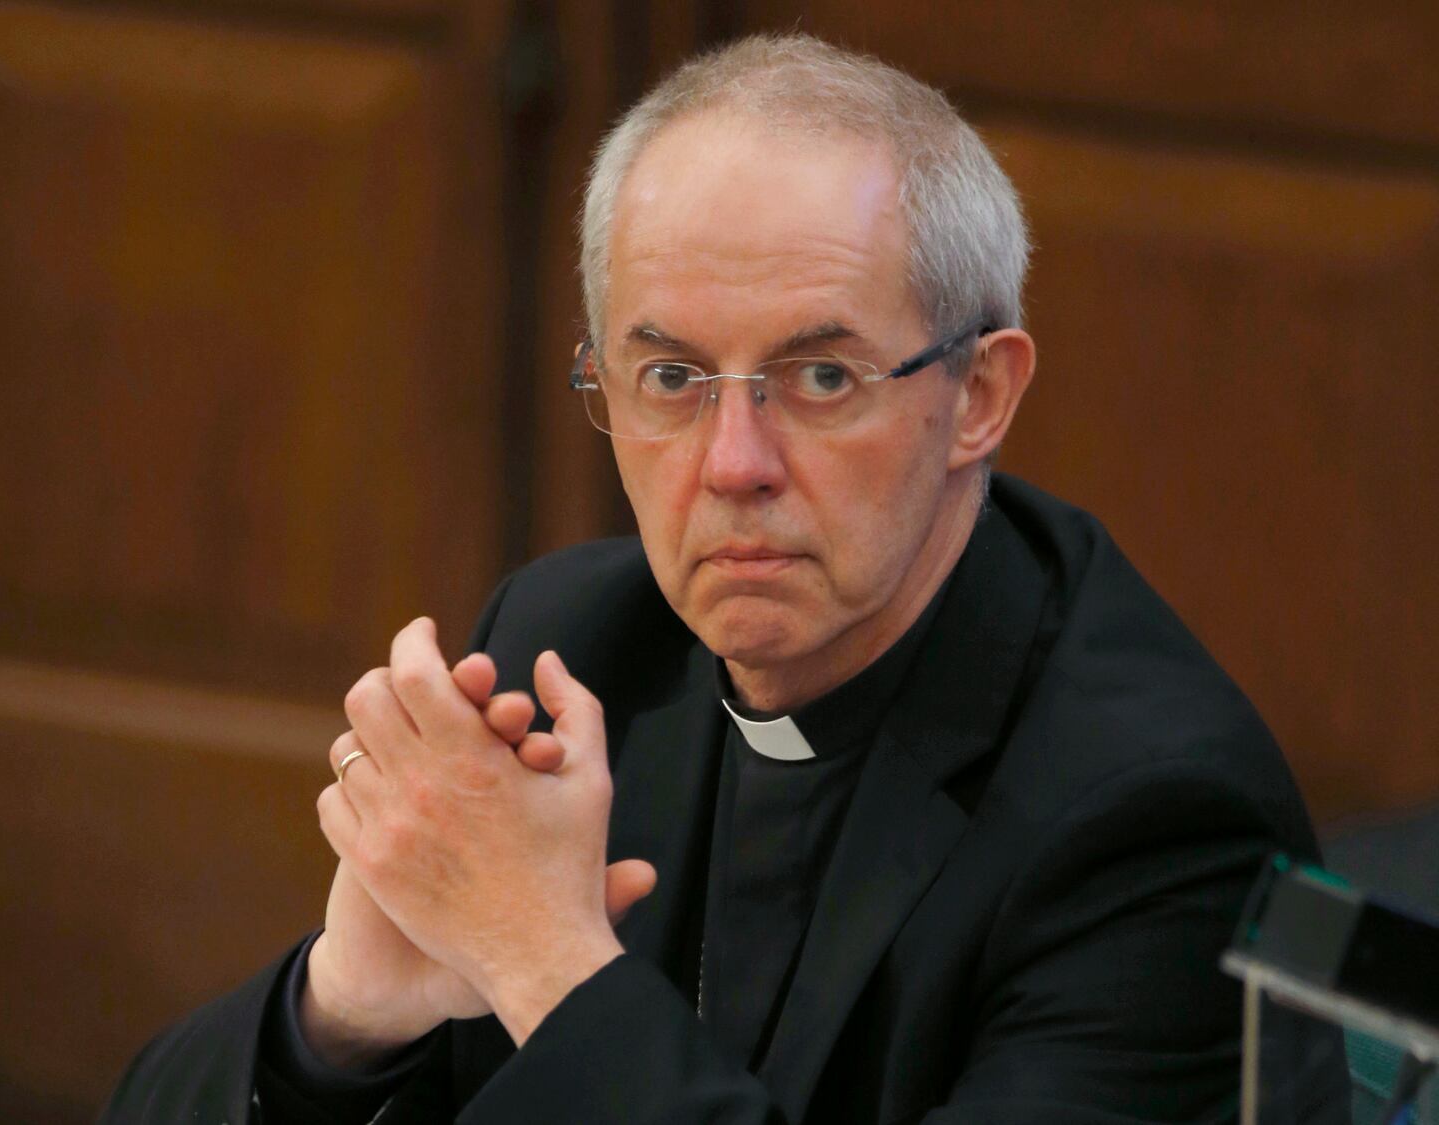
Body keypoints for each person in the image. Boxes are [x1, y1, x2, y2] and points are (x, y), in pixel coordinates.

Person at [103, 34, 1345, 1124]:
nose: (731, 466)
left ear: (977, 397)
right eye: (671, 380)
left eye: (818, 380)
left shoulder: (1151, 826)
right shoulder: (570, 646)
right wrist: (342, 1015)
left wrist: (547, 966)